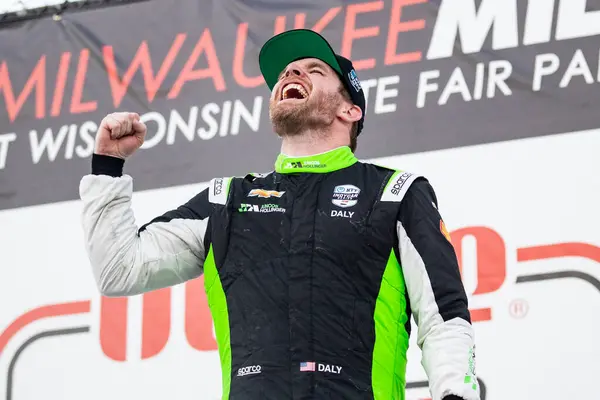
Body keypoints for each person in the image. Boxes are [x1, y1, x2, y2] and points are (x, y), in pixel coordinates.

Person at [79, 29, 479, 400]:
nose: (291, 71)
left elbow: (442, 317)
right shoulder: (226, 200)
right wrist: (107, 167)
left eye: (314, 70)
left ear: (349, 110)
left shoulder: (395, 193)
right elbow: (119, 269)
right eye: (287, 71)